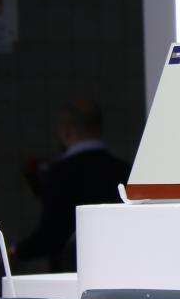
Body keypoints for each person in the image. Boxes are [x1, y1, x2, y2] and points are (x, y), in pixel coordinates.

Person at [12, 99, 128, 273]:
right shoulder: (124, 170)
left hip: (71, 273)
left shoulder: (59, 173)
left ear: (65, 130)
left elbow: (51, 234)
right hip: (117, 269)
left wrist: (16, 251)